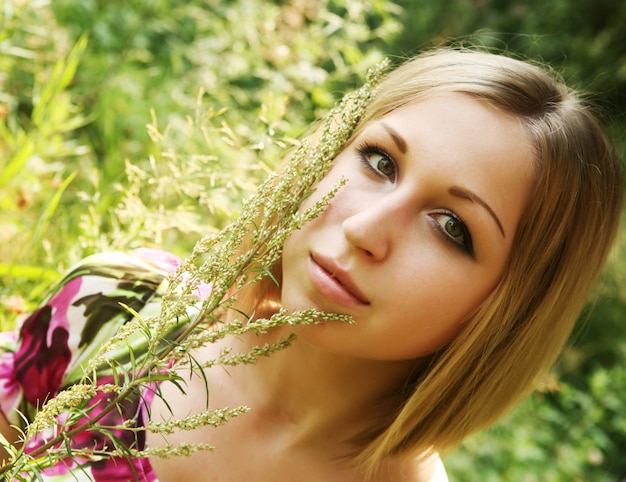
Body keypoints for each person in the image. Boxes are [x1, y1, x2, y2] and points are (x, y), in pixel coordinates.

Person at [0, 47, 623, 481]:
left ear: (509, 309)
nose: (364, 229)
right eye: (379, 162)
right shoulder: (115, 306)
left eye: (453, 228)